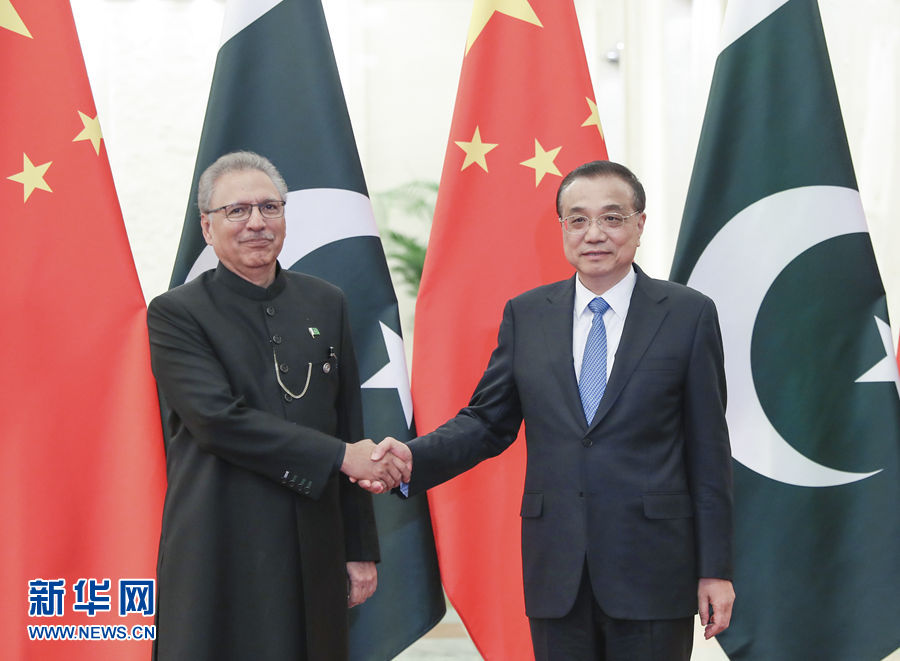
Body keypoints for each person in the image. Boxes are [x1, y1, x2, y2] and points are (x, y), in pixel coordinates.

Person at [369, 160, 735, 660]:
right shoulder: (527, 314)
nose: (594, 234)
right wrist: (413, 458)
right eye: (578, 219)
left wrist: (715, 569)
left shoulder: (688, 314)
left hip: (654, 567)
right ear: (562, 227)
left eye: (612, 218)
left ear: (639, 225)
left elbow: (709, 451)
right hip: (557, 570)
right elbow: (487, 421)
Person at [147, 151, 411, 660]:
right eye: (237, 211)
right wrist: (340, 456)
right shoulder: (177, 313)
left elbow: (349, 424)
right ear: (207, 227)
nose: (256, 223)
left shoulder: (326, 301)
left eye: (269, 207)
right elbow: (217, 421)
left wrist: (359, 549)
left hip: (314, 538)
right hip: (220, 536)